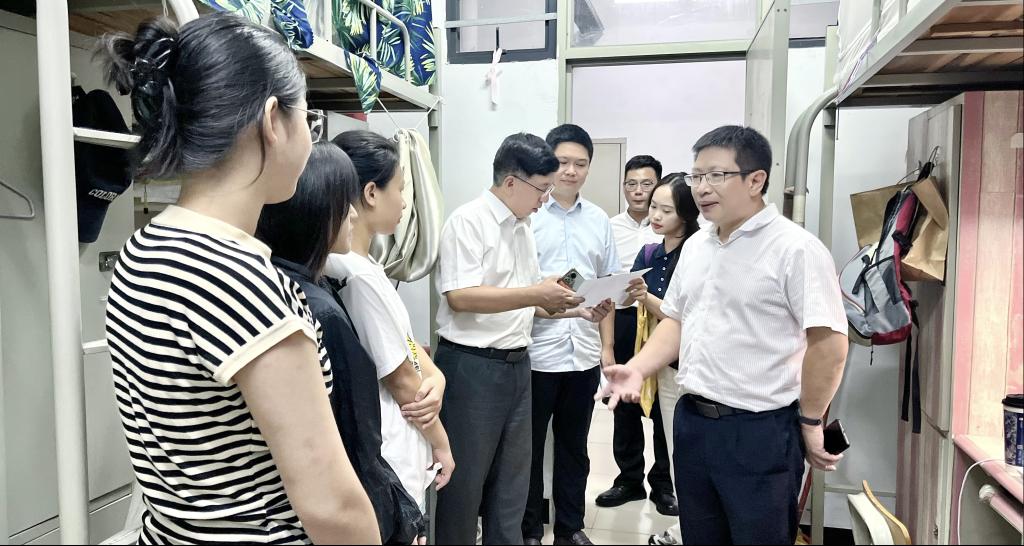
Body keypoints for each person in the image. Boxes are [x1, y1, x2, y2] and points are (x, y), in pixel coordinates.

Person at [101, 14, 379, 545]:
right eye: (307, 120)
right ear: (273, 120)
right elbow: (332, 507)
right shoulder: (240, 279)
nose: (309, 137)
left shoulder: (146, 246)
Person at [599, 126, 849, 545]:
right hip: (693, 422)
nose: (701, 188)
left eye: (716, 175)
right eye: (696, 175)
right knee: (700, 534)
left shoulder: (795, 249)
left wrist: (810, 419)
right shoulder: (698, 246)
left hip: (758, 430)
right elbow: (676, 320)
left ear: (756, 180)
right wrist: (638, 368)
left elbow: (829, 344)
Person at [433, 133, 613, 545]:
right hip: (473, 366)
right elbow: (460, 296)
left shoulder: (522, 227)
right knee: (465, 484)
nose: (544, 199)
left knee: (512, 485)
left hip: (518, 364)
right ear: (512, 182)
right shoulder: (468, 221)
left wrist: (578, 310)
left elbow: (526, 301)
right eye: (541, 189)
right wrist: (535, 293)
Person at [256, 143, 427, 545]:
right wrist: (401, 520)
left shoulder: (307, 282)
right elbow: (355, 441)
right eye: (342, 203)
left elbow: (407, 342)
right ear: (315, 211)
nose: (352, 214)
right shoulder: (324, 308)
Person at [326, 130, 454, 517]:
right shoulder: (355, 276)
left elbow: (404, 342)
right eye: (399, 188)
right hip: (391, 445)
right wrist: (442, 444)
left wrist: (437, 377)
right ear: (371, 193)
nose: (403, 201)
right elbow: (401, 381)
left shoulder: (364, 264)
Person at [521, 125, 618, 546]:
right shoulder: (527, 216)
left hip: (582, 353)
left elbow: (608, 285)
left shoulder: (598, 220)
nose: (571, 171)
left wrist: (607, 349)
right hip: (535, 351)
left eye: (581, 164)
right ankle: (528, 529)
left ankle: (570, 528)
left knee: (574, 446)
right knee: (527, 447)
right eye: (563, 162)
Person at [618, 173, 700, 546]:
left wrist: (646, 297)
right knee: (673, 443)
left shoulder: (698, 252)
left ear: (686, 213)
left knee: (693, 451)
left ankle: (693, 525)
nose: (656, 215)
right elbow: (632, 296)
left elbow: (680, 315)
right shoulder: (651, 252)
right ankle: (685, 528)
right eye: (654, 207)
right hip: (662, 361)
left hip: (695, 365)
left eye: (667, 210)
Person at [598, 155, 676, 517]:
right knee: (625, 403)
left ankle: (664, 484)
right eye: (631, 184)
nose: (639, 191)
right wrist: (608, 344)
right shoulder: (610, 227)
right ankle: (629, 480)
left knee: (664, 405)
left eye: (647, 184)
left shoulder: (675, 229)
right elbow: (608, 285)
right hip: (627, 319)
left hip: (665, 321)